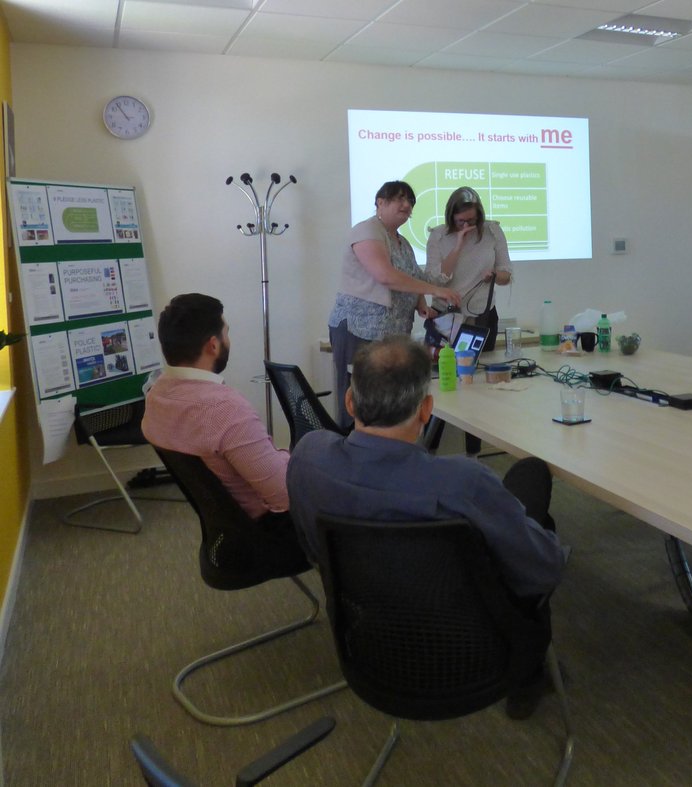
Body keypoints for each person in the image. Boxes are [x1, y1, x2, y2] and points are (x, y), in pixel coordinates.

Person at [286, 336, 566, 718]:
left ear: (350, 403)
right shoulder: (463, 483)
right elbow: (545, 570)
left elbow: (309, 547)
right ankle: (531, 674)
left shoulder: (308, 455)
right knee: (530, 479)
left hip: (369, 642)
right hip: (476, 650)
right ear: (426, 410)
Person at [142, 293, 306, 574]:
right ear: (213, 345)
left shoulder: (156, 395)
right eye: (226, 333)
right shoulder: (224, 410)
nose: (229, 340)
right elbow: (284, 497)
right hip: (270, 533)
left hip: (229, 532)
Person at [328, 180, 461, 429]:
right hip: (360, 331)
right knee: (358, 397)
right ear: (380, 203)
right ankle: (352, 452)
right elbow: (386, 276)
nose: (406, 204)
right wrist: (435, 290)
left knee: (387, 400)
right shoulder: (366, 231)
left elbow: (411, 275)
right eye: (399, 198)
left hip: (392, 334)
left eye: (410, 200)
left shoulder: (402, 241)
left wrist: (421, 302)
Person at [424, 186, 512, 353]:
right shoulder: (438, 235)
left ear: (479, 215)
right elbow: (432, 281)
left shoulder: (492, 231)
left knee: (483, 367)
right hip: (445, 317)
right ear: (451, 217)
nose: (466, 226)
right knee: (444, 365)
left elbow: (506, 275)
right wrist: (458, 246)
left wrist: (494, 275)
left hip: (482, 316)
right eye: (460, 221)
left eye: (471, 221)